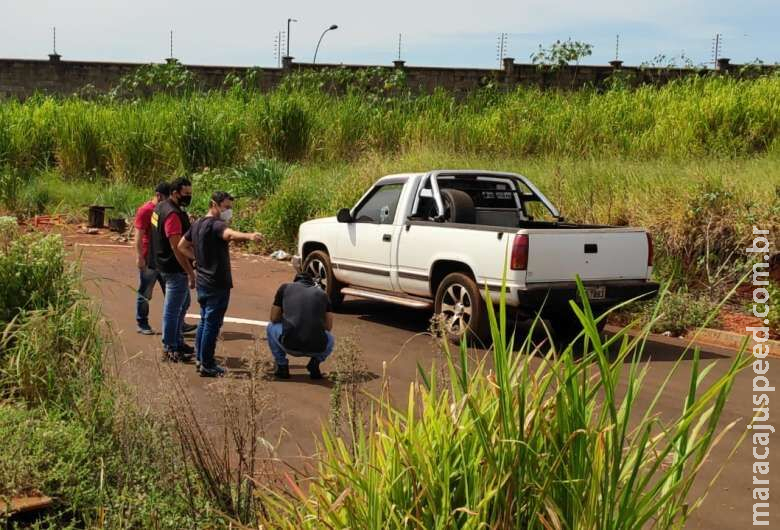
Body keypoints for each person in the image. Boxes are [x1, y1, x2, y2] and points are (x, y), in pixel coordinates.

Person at [178, 191, 262, 377]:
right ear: (214, 204)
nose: (228, 212)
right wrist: (249, 236)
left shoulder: (197, 224)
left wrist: (197, 259)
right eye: (226, 207)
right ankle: (207, 363)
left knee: (205, 320)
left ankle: (201, 359)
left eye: (230, 208)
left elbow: (182, 246)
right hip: (216, 282)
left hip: (203, 281)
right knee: (212, 324)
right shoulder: (216, 225)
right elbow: (229, 235)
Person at [150, 176, 196, 362]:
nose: (188, 197)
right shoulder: (172, 215)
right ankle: (170, 346)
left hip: (161, 264)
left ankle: (177, 340)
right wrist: (190, 272)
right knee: (173, 309)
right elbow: (177, 248)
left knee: (183, 304)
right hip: (173, 268)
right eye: (186, 194)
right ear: (175, 193)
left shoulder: (160, 208)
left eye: (190, 194)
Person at [267, 272, 335, 380]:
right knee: (330, 338)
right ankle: (315, 363)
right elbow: (328, 326)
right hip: (317, 348)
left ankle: (282, 366)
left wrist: (289, 317)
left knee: (271, 327)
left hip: (289, 345)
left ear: (295, 280)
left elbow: (274, 318)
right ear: (312, 283)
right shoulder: (323, 294)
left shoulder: (285, 288)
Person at [133, 182, 169, 335]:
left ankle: (178, 323)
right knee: (145, 292)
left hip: (163, 258)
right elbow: (138, 237)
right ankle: (142, 323)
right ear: (159, 195)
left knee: (171, 292)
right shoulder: (145, 211)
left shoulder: (166, 209)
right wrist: (140, 257)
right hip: (149, 258)